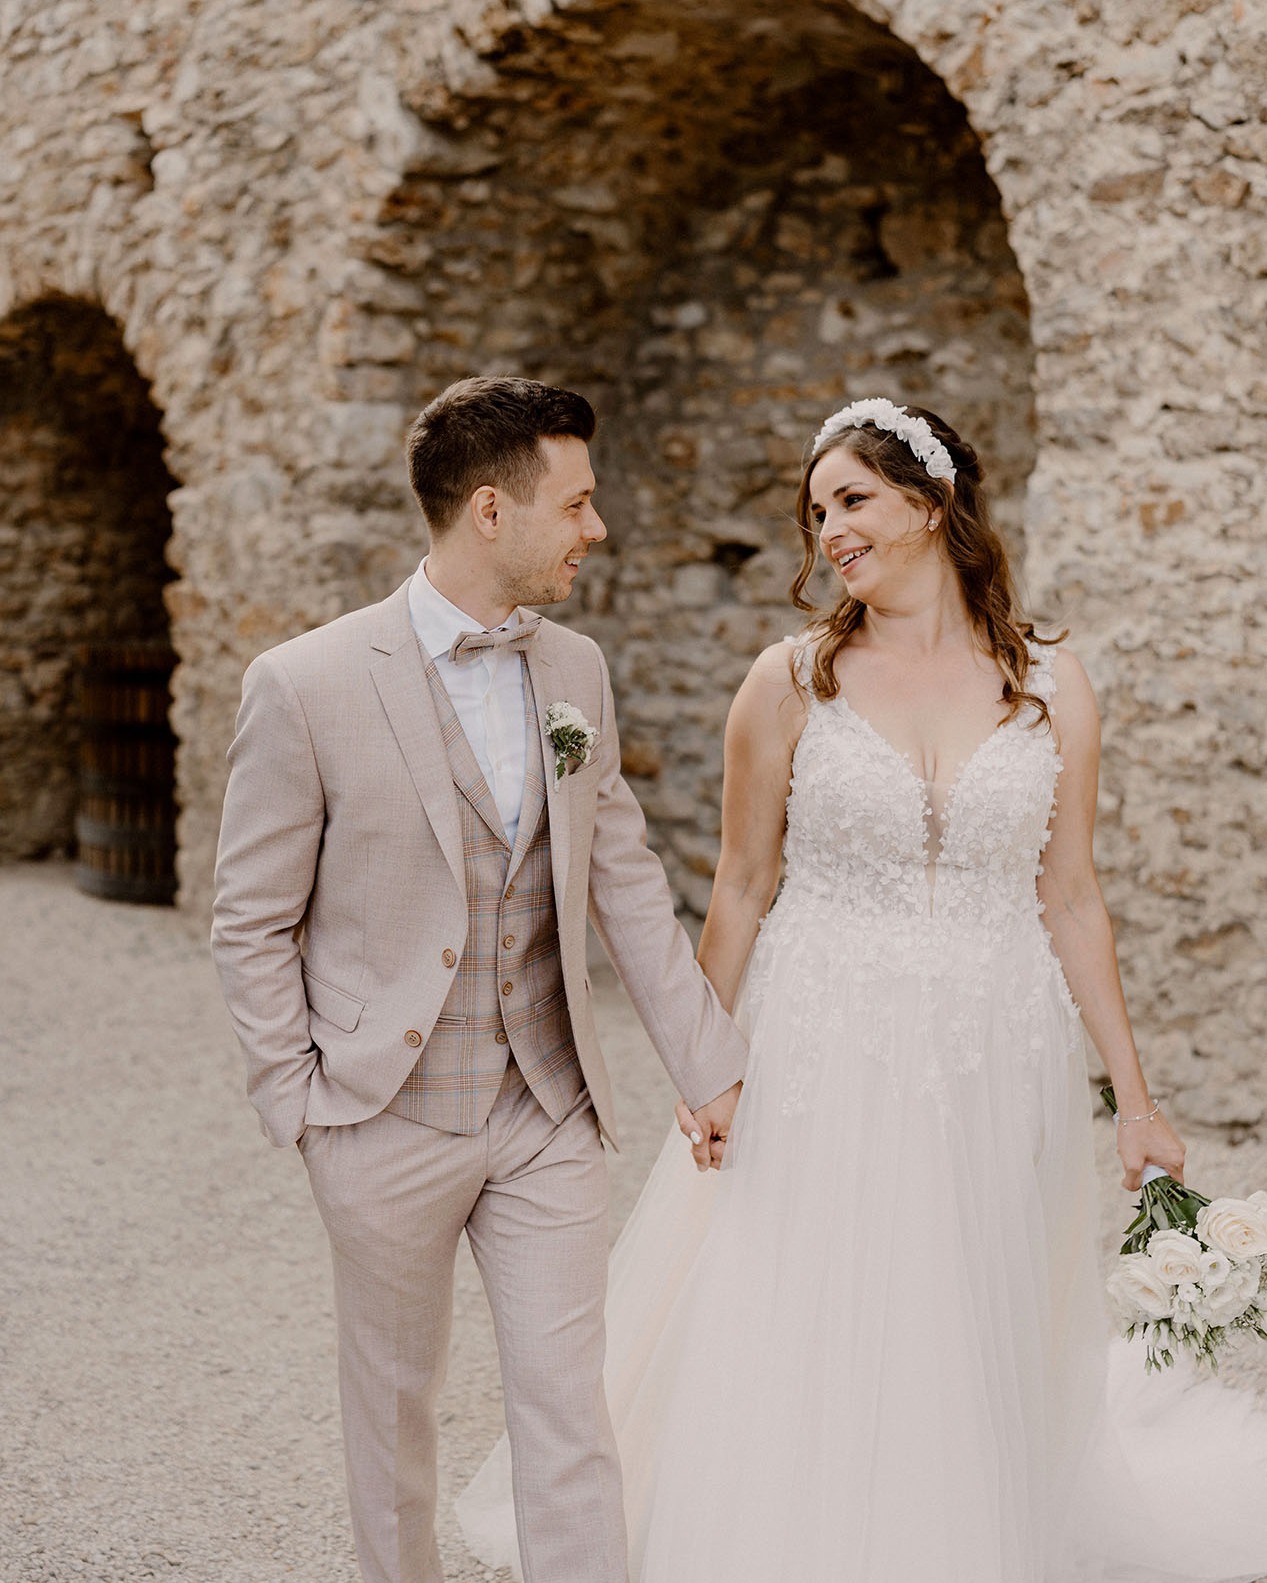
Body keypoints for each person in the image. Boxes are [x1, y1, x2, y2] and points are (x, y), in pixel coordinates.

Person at [459, 397, 1267, 1582]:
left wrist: (1134, 1100)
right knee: (814, 1299)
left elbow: (1075, 896)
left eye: (853, 500)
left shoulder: (1051, 681)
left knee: (973, 1308)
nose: (828, 528)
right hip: (823, 1036)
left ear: (932, 506)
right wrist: (701, 1061)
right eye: (816, 510)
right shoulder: (788, 681)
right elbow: (736, 888)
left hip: (1000, 1043)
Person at [210, 375, 745, 1583]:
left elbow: (622, 875)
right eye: (579, 503)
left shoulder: (576, 672)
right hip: (379, 1113)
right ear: (492, 510)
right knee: (394, 1415)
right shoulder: (305, 683)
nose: (596, 529)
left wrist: (709, 1065)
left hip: (544, 1110)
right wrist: (298, 1103)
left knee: (568, 1413)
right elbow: (247, 917)